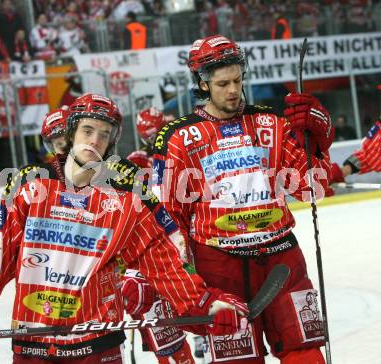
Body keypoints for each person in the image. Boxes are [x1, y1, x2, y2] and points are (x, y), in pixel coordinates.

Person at [0, 93, 249, 363]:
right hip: (33, 346)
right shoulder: (30, 188)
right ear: (70, 134)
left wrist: (202, 304)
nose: (95, 140)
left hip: (97, 347)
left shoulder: (125, 201)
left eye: (104, 135)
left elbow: (163, 263)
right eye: (87, 131)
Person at [151, 35, 334, 363]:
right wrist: (192, 285)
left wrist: (319, 139)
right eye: (223, 83)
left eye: (237, 80)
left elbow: (311, 187)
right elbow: (167, 218)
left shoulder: (271, 122)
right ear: (202, 84)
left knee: (306, 353)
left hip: (281, 258)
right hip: (220, 266)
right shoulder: (177, 137)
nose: (233, 90)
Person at [124, 107, 195, 364]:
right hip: (153, 253)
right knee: (165, 335)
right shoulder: (135, 163)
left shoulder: (178, 153)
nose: (154, 142)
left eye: (157, 135)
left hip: (183, 239)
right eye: (149, 138)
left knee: (199, 300)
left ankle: (202, 340)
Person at [330, 118, 381, 184]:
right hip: (367, 150)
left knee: (350, 166)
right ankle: (329, 177)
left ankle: (329, 177)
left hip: (367, 149)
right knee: (350, 166)